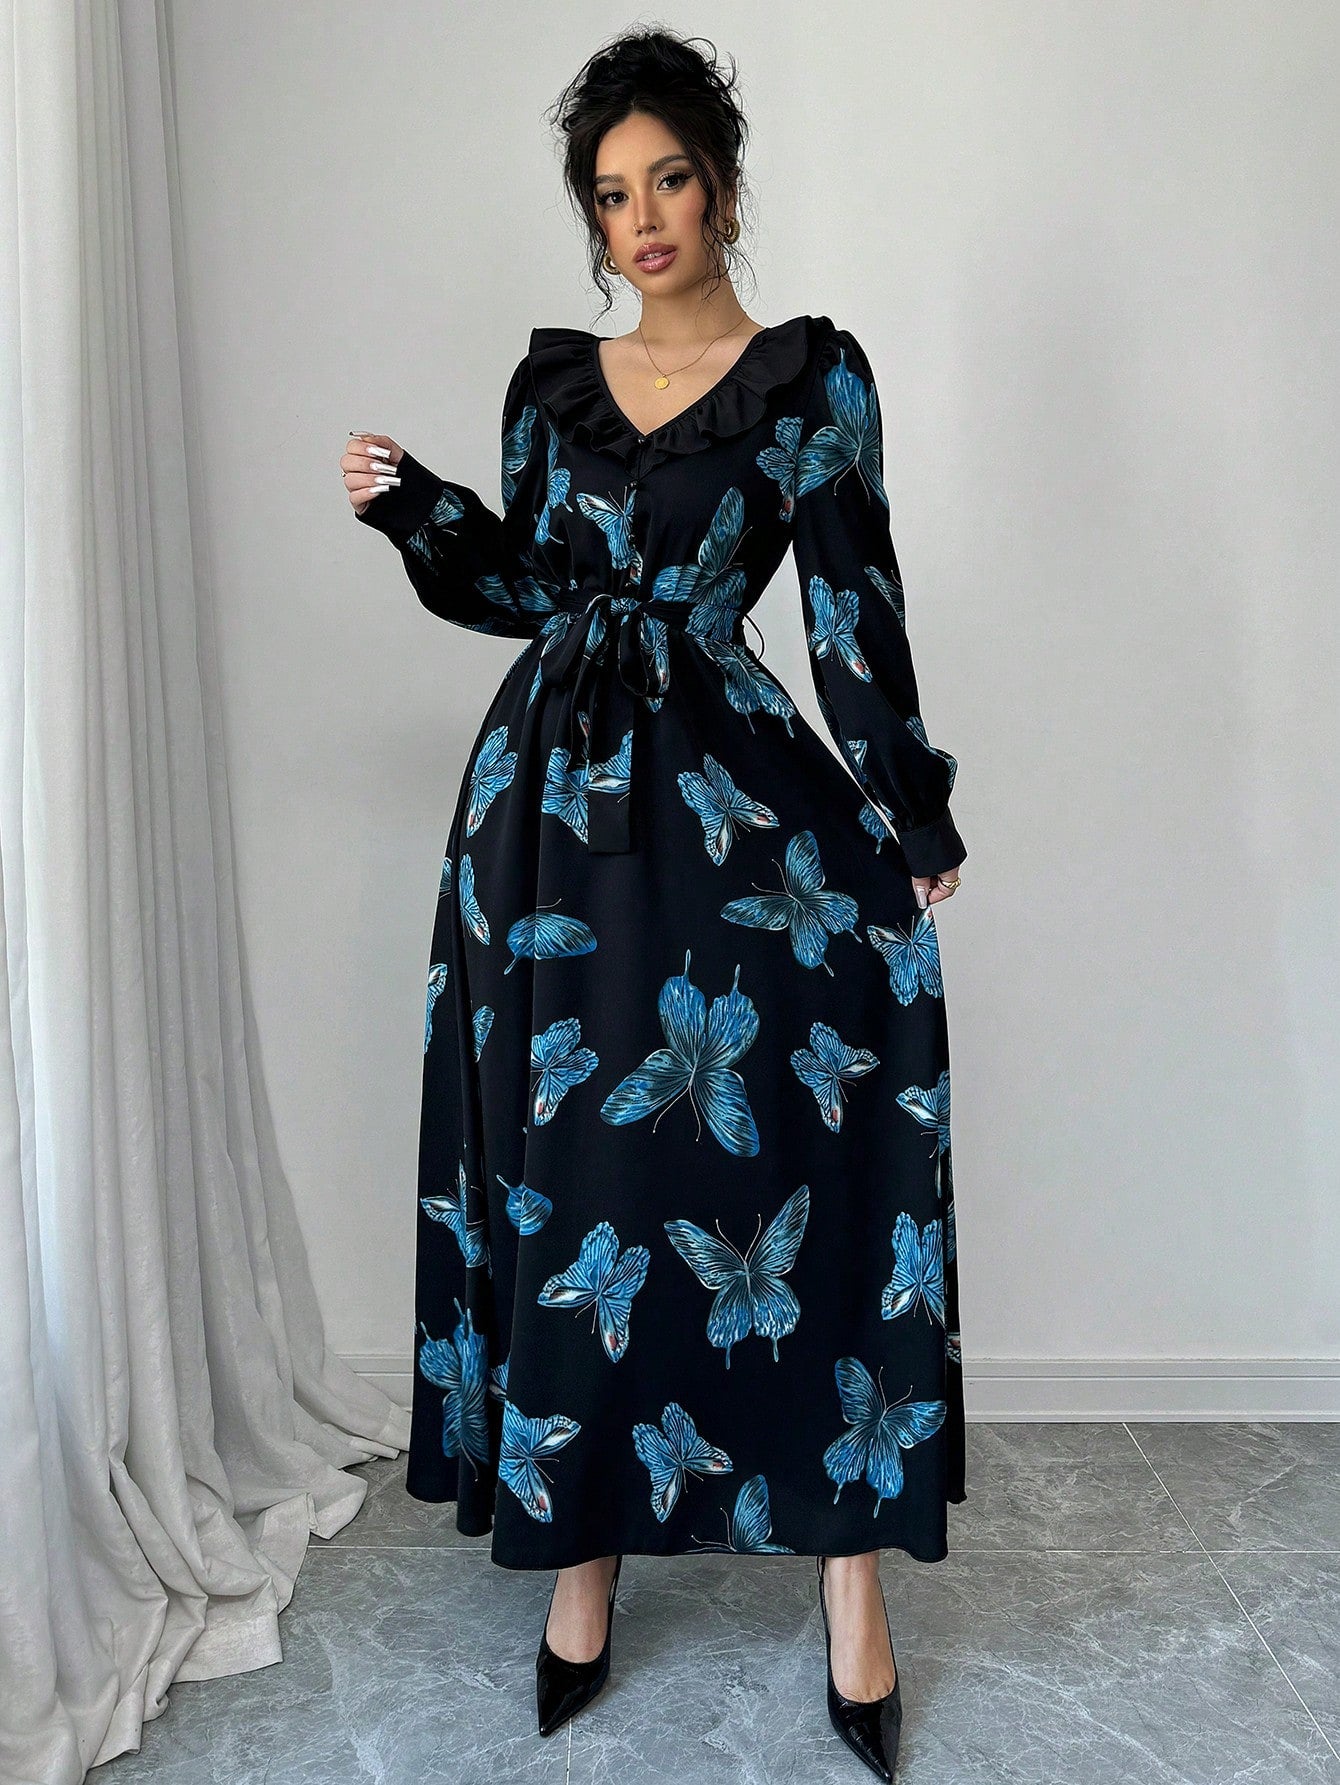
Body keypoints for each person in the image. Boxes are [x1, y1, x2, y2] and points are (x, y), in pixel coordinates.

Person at [341, 26, 967, 1780]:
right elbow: (525, 587)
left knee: (787, 1151)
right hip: (542, 822)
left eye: (670, 179)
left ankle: (850, 1574)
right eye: (612, 196)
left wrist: (908, 813)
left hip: (725, 798)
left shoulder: (808, 379)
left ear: (726, 187)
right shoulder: (552, 389)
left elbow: (851, 610)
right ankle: (580, 1548)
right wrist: (422, 514)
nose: (644, 219)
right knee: (581, 1174)